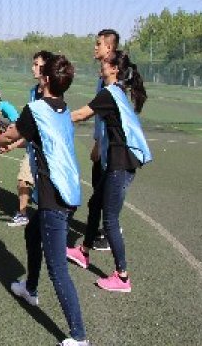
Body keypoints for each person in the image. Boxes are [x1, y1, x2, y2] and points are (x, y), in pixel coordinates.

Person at [0, 54, 89, 346]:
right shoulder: (61, 107)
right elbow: (30, 136)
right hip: (68, 191)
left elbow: (12, 134)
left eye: (40, 70)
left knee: (58, 270)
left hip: (54, 197)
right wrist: (8, 142)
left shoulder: (35, 109)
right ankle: (30, 288)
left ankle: (79, 337)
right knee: (33, 233)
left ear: (45, 79)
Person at [66, 51, 151, 292]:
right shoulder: (116, 91)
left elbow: (81, 115)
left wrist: (51, 117)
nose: (100, 65)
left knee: (111, 219)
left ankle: (122, 277)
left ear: (114, 69)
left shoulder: (110, 93)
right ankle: (83, 252)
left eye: (105, 63)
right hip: (115, 161)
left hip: (121, 163)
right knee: (95, 204)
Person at [6, 50, 53, 227]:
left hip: (47, 149)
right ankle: (22, 213)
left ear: (46, 67)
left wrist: (11, 141)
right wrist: (12, 142)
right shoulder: (33, 92)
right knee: (23, 178)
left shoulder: (53, 92)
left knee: (46, 188)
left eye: (36, 64)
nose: (33, 68)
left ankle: (47, 216)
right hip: (32, 145)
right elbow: (29, 125)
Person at [88, 29, 121, 250]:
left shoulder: (115, 81)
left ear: (109, 48)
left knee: (106, 197)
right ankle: (103, 230)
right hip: (102, 145)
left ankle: (111, 233)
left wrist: (101, 144)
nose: (95, 47)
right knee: (97, 194)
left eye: (98, 43)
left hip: (113, 149)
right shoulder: (102, 79)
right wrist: (97, 141)